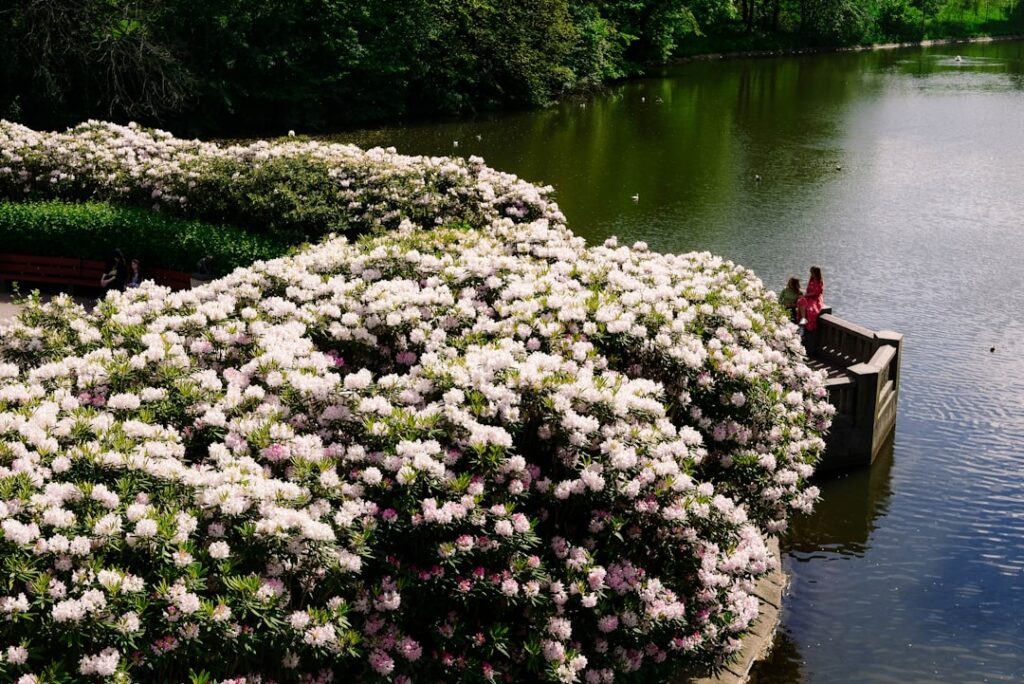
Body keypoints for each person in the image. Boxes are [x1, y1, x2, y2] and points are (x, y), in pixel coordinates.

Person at [797, 266, 825, 333]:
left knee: (810, 309)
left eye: (812, 272)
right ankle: (803, 319)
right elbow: (808, 290)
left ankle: (809, 327)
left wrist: (806, 295)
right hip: (809, 296)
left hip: (816, 299)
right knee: (801, 301)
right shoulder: (811, 280)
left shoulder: (820, 282)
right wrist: (804, 295)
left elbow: (816, 293)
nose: (811, 274)